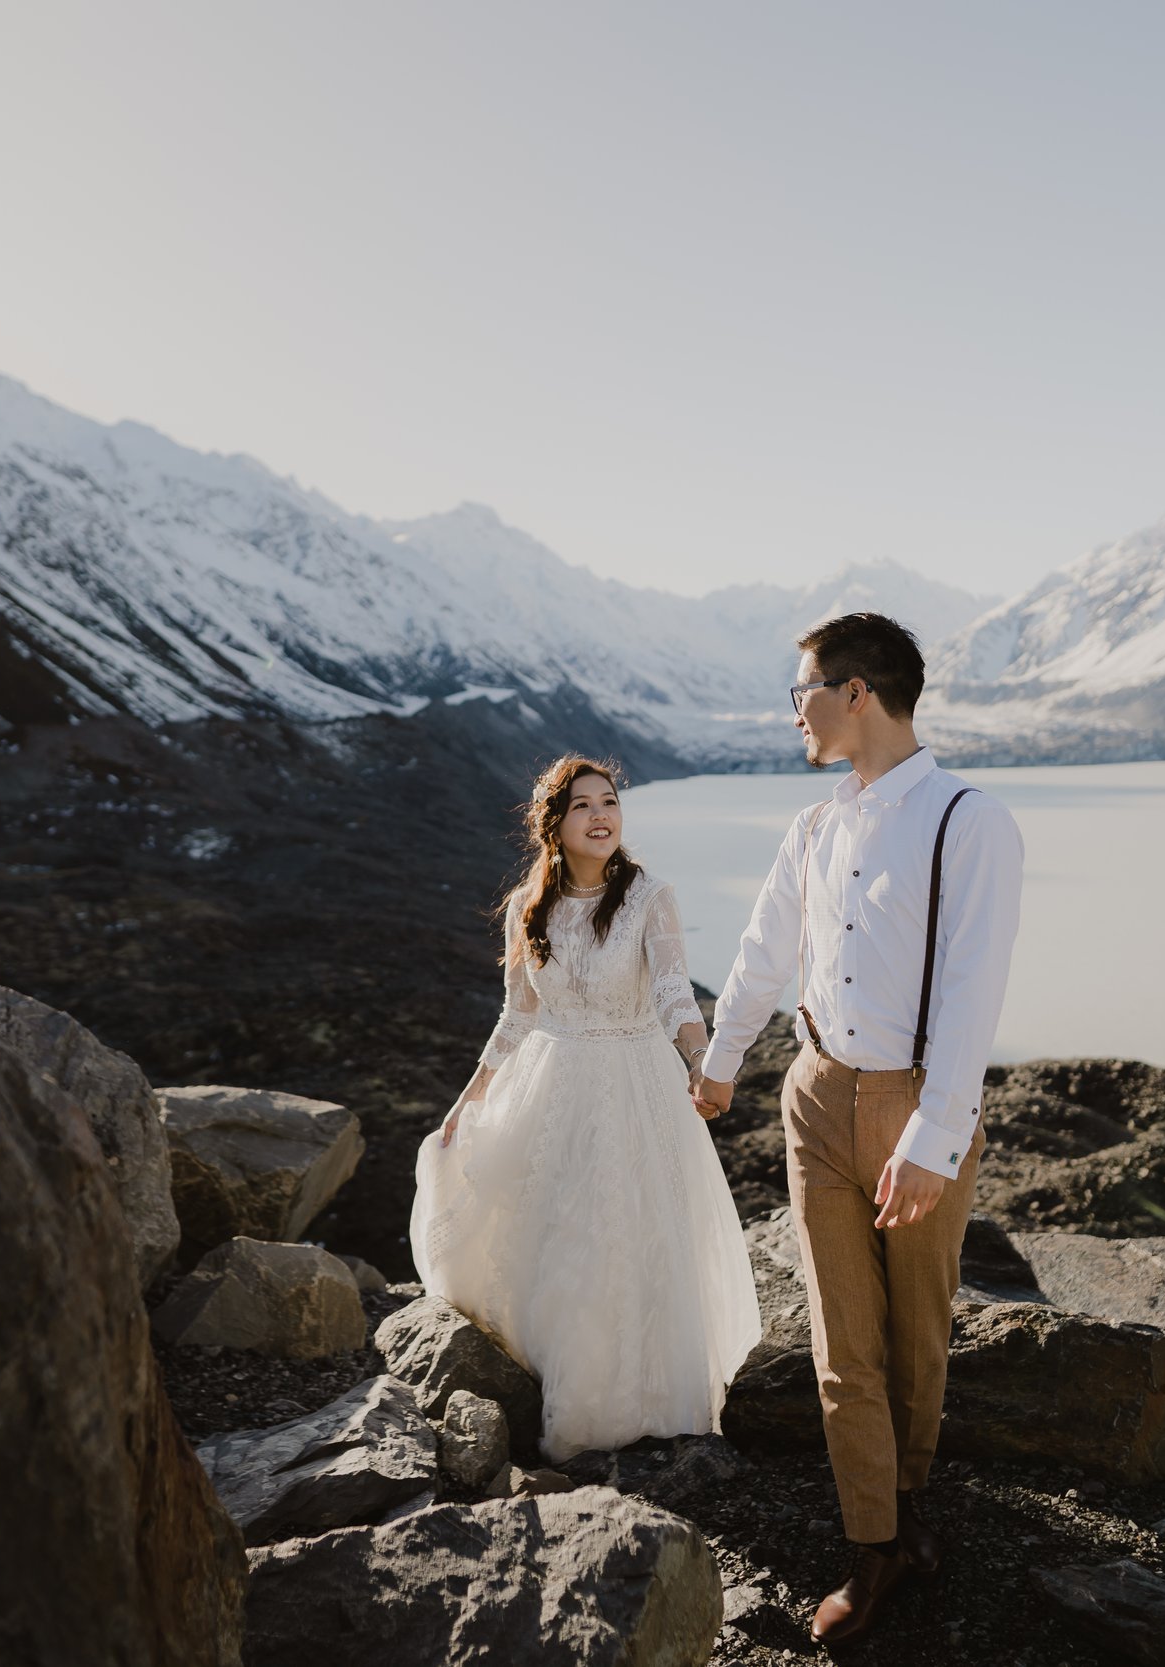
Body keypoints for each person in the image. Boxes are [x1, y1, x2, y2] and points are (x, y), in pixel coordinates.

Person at [690, 612, 1024, 1645]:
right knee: (842, 1341)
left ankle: (907, 1500)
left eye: (803, 691)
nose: (793, 710)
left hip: (915, 1103)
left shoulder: (970, 820)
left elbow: (974, 990)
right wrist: (721, 1058)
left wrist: (933, 1136)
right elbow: (761, 946)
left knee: (915, 1331)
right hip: (815, 1094)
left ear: (857, 694)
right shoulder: (812, 825)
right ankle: (873, 1542)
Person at [410, 754, 761, 1463]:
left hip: (636, 1084)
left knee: (630, 1237)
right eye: (583, 805)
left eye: (610, 801)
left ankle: (644, 1401)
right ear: (555, 823)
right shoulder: (526, 906)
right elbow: (517, 1017)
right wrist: (467, 1098)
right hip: (554, 1081)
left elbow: (672, 994)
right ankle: (563, 1384)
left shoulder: (648, 896)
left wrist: (702, 1059)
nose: (602, 815)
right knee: (562, 1239)